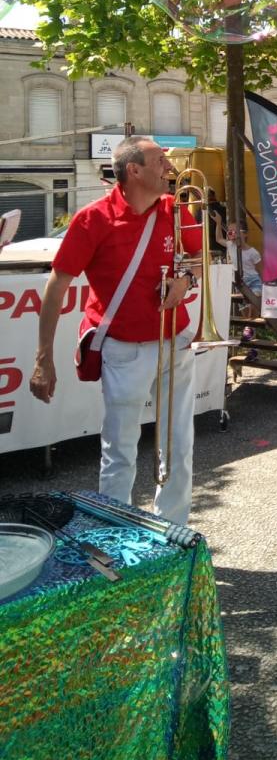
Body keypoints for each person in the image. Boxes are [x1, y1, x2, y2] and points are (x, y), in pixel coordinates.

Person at [29, 136, 202, 526]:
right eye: (160, 161)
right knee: (120, 450)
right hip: (124, 348)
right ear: (134, 170)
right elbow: (56, 284)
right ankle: (116, 536)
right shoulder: (93, 218)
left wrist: (186, 281)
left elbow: (198, 261)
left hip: (175, 342)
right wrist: (43, 358)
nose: (169, 168)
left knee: (179, 445)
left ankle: (171, 533)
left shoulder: (176, 209)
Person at [213, 216, 263, 296]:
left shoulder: (253, 252)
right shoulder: (230, 245)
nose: (232, 235)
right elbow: (218, 239)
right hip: (240, 283)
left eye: (235, 232)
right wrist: (218, 223)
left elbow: (261, 271)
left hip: (254, 281)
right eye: (229, 232)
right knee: (242, 305)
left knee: (254, 299)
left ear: (245, 234)